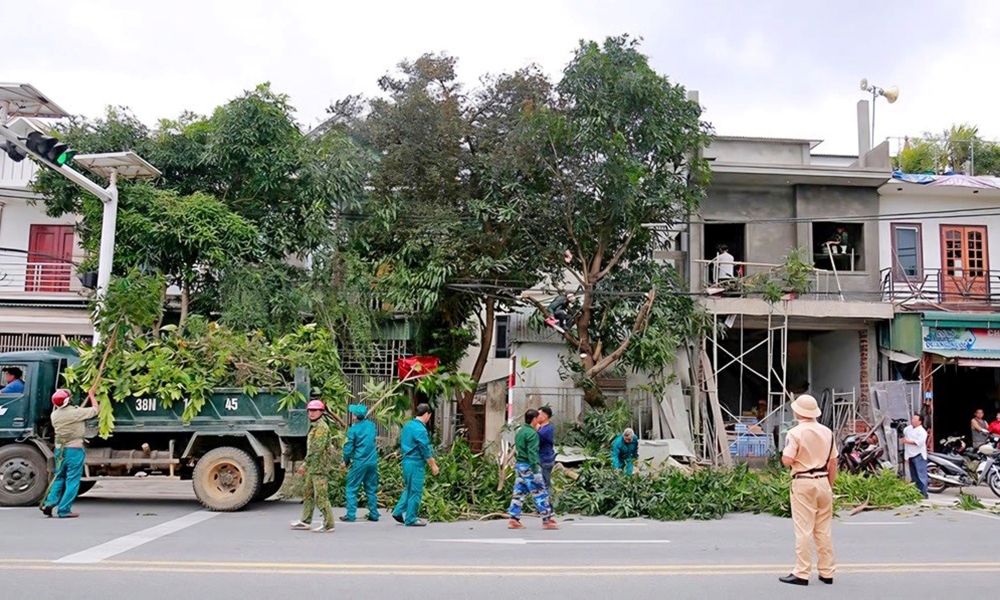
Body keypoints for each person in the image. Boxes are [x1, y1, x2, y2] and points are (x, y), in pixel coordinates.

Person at [779, 394, 837, 587]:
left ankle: (802, 572)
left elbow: (787, 459)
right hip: (823, 481)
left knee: (804, 529)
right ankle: (827, 572)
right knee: (823, 530)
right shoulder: (828, 432)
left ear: (797, 412)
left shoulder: (794, 433)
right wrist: (829, 484)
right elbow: (833, 462)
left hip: (803, 481)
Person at [40, 389, 98, 518]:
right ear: (69, 400)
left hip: (60, 450)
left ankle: (49, 502)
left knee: (59, 477)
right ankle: (64, 510)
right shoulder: (75, 413)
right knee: (72, 479)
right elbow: (95, 409)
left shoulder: (54, 415)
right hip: (74, 450)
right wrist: (92, 395)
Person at [507, 408, 558, 530]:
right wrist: (535, 469)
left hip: (520, 465)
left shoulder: (521, 431)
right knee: (540, 492)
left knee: (519, 492)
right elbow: (532, 453)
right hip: (529, 466)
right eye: (538, 417)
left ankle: (513, 519)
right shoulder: (532, 434)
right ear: (534, 419)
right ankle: (547, 519)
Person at [290, 400, 335, 533]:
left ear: (321, 412)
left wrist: (305, 464)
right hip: (312, 467)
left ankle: (329, 524)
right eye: (310, 410)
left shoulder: (321, 427)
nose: (311, 413)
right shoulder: (315, 426)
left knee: (321, 496)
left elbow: (316, 449)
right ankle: (305, 521)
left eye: (315, 410)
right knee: (308, 493)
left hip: (319, 467)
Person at [393, 403, 439, 527]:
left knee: (408, 488)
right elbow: (424, 448)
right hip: (416, 463)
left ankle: (398, 511)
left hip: (406, 461)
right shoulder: (420, 429)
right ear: (427, 414)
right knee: (415, 491)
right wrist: (433, 465)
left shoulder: (408, 426)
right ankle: (411, 518)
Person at [342, 404, 379, 523]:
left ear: (355, 416)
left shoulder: (353, 430)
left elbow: (348, 449)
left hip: (359, 461)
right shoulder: (372, 426)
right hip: (372, 461)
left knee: (351, 488)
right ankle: (374, 513)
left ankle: (351, 514)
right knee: (371, 488)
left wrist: (346, 461)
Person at [901, 413, 929, 499]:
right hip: (910, 454)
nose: (913, 421)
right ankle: (915, 492)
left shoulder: (922, 431)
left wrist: (907, 441)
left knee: (921, 475)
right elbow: (903, 433)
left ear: (920, 422)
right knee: (914, 476)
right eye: (912, 419)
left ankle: (923, 493)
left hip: (918, 455)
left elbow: (919, 443)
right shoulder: (908, 429)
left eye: (915, 419)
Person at [536, 406, 556, 492]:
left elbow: (536, 438)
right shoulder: (545, 428)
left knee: (544, 484)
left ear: (544, 416)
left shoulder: (546, 430)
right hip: (545, 458)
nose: (536, 417)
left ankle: (547, 502)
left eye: (538, 415)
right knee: (545, 481)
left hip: (545, 461)